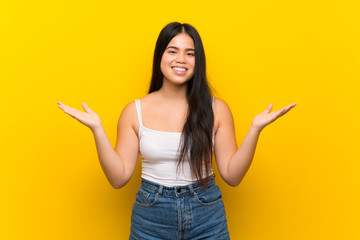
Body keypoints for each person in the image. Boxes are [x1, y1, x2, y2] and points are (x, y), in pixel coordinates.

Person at [57, 22, 296, 239]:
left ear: (197, 61)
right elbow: (118, 178)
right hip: (151, 216)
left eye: (190, 53)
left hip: (207, 214)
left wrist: (255, 130)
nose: (181, 59)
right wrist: (97, 129)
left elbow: (232, 176)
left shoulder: (216, 109)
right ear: (160, 56)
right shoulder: (135, 111)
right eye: (173, 51)